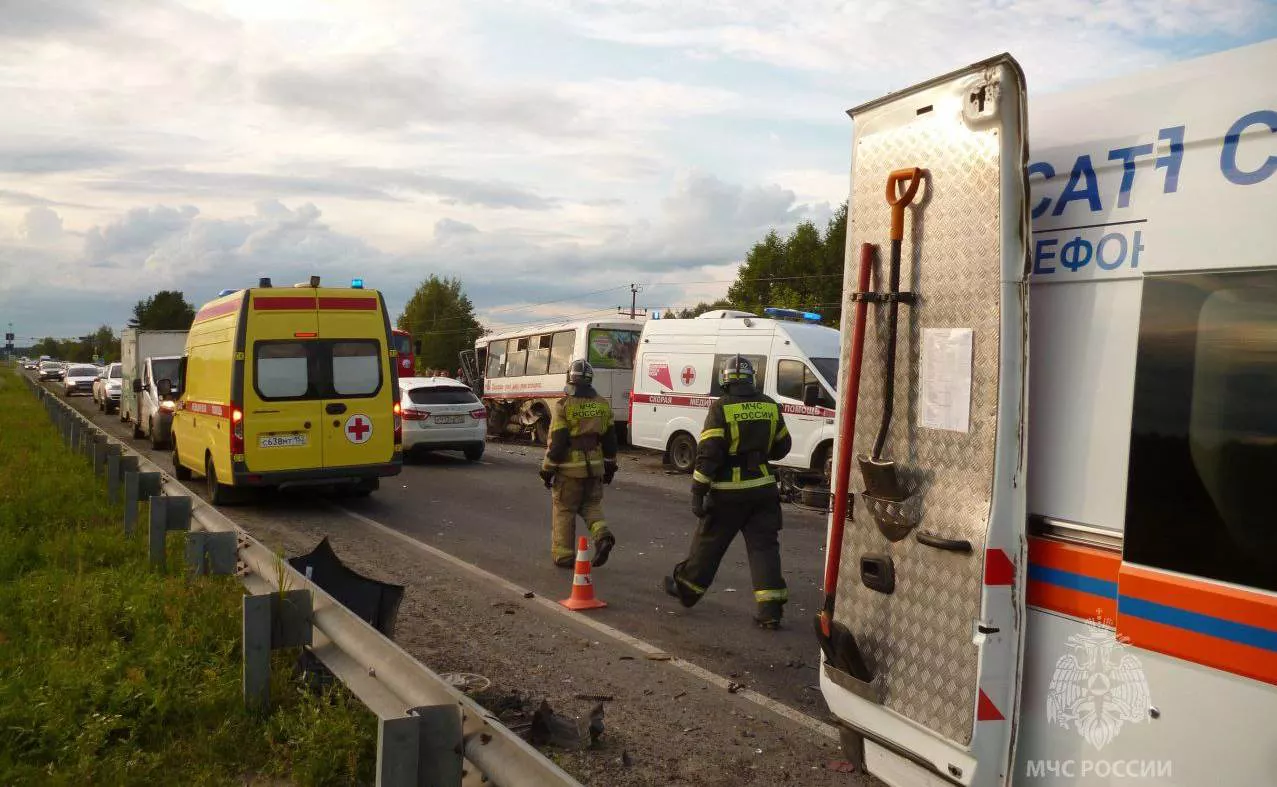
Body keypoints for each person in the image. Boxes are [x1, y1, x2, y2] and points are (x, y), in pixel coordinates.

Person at [664, 355, 792, 628]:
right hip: (763, 489)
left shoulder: (721, 408)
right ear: (751, 378)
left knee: (709, 544)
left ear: (725, 379)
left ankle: (687, 590)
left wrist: (698, 491)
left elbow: (708, 454)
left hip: (728, 493)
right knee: (764, 549)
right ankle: (770, 610)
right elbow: (782, 447)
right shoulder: (770, 405)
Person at [539, 359, 618, 568]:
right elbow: (610, 440)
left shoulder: (563, 405)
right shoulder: (602, 404)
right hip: (595, 467)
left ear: (570, 379)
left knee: (564, 509)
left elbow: (557, 443)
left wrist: (547, 470)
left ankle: (564, 555)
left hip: (569, 471)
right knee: (591, 505)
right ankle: (602, 537)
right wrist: (610, 466)